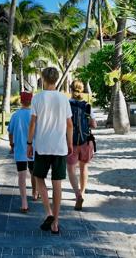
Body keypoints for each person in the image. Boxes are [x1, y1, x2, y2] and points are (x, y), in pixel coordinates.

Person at [27, 67, 73, 234]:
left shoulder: (37, 98)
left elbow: (33, 123)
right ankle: (56, 223)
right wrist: (70, 143)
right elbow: (69, 125)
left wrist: (29, 143)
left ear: (43, 79)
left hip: (42, 146)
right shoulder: (63, 98)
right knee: (57, 183)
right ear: (56, 79)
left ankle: (48, 213)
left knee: (39, 177)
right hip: (59, 146)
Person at [67, 80, 97, 211]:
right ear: (82, 90)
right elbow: (94, 125)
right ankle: (83, 192)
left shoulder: (67, 105)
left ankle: (77, 195)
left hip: (71, 142)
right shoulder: (87, 106)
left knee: (71, 169)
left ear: (71, 89)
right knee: (83, 167)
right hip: (85, 141)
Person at [8, 91, 35, 213]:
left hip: (19, 149)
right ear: (31, 102)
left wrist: (12, 145)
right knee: (34, 172)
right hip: (33, 149)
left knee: (21, 176)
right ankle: (35, 192)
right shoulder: (34, 115)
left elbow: (10, 132)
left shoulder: (15, 115)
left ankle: (24, 202)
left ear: (21, 101)